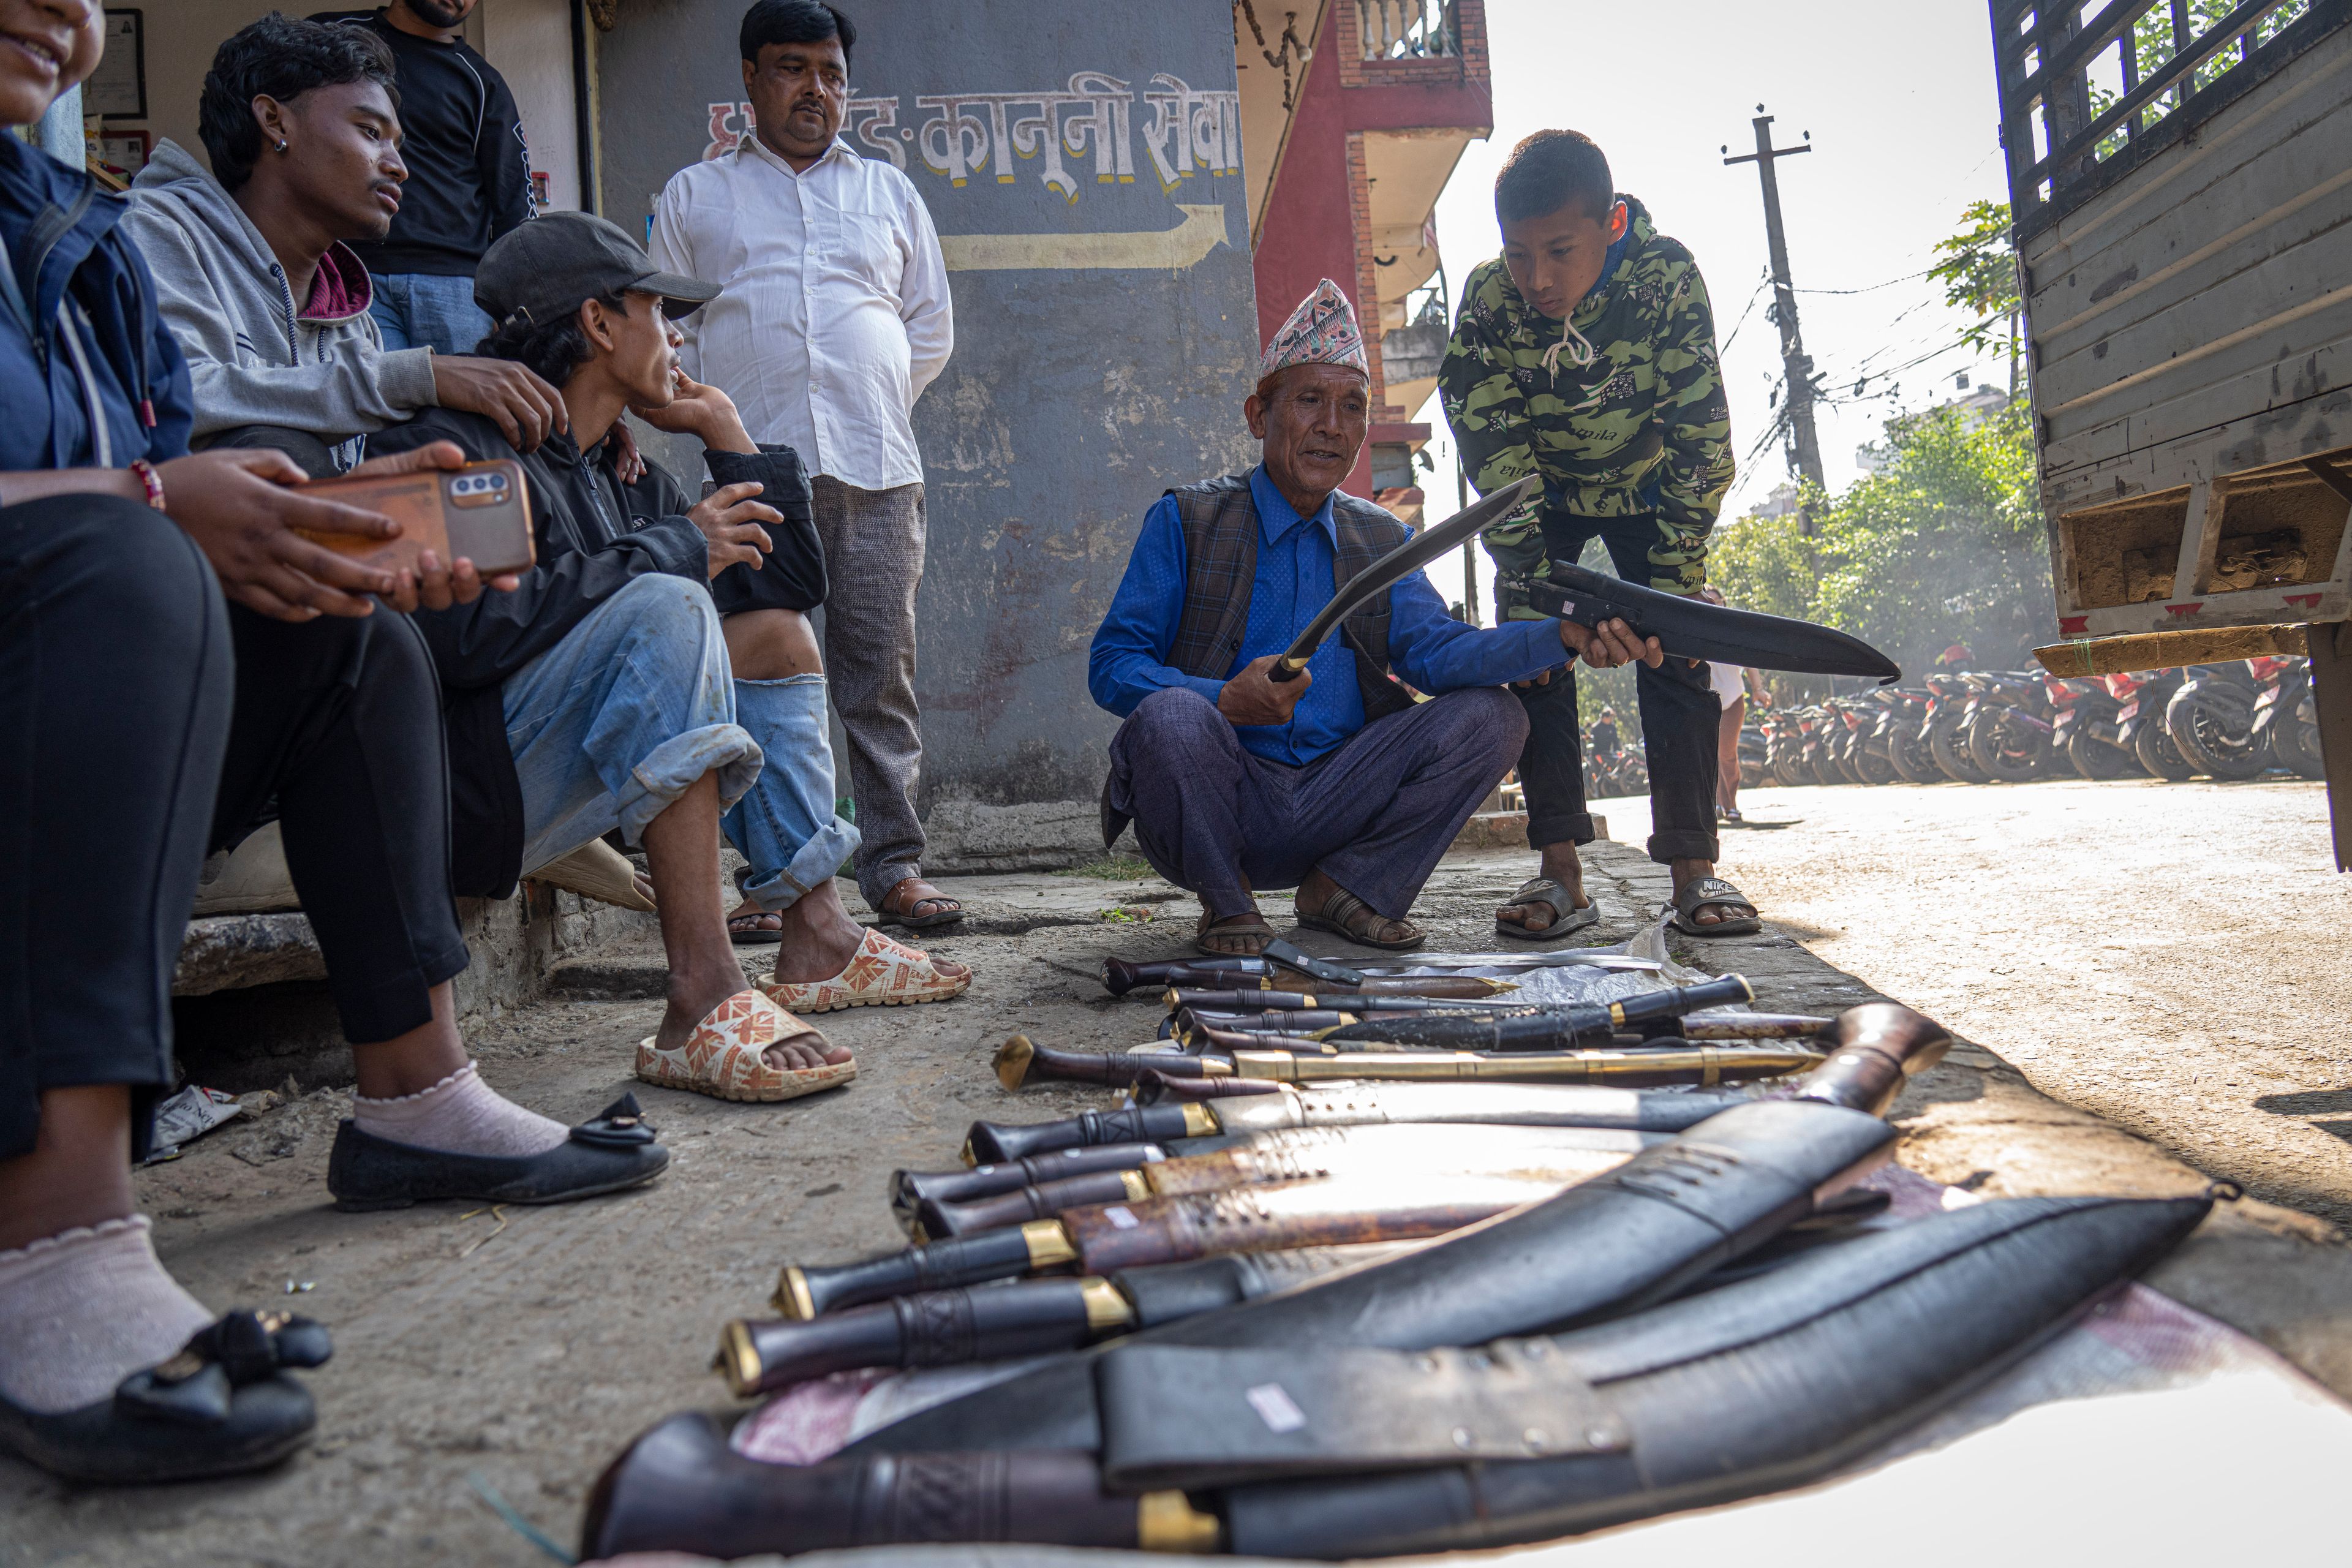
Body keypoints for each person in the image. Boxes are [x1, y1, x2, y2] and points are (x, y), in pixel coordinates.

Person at [0, 0, 661, 1485]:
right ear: (270, 124)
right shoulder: (152, 236)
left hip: (74, 702)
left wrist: (331, 530)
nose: (61, 9)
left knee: (346, 627)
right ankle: (56, 1235)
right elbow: (154, 494)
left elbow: (188, 458)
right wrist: (164, 505)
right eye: (363, 121)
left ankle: (416, 1093)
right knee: (127, 559)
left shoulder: (70, 239)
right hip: (58, 655)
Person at [368, 213, 970, 1063]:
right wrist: (675, 549)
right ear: (599, 322)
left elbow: (791, 587)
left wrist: (726, 431)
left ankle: (819, 933)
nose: (677, 331)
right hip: (471, 793)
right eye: (657, 308)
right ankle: (703, 989)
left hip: (553, 775)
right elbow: (462, 638)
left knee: (774, 636)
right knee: (670, 607)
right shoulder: (464, 444)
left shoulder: (621, 472)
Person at [1090, 280, 1654, 956]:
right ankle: (1227, 901)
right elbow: (1113, 666)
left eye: (1352, 407)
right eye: (1309, 400)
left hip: (1341, 798)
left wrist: (1559, 636)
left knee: (1495, 718)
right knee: (1170, 716)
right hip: (1221, 800)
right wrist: (1226, 700)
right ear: (1257, 415)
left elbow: (1438, 655)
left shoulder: (1382, 539)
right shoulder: (1187, 519)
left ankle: (1345, 888)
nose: (1332, 424)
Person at [649, 0, 963, 934]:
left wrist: (865, 403)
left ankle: (896, 868)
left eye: (830, 74)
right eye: (793, 69)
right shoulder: (695, 197)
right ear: (750, 77)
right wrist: (725, 421)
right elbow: (666, 337)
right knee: (761, 678)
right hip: (751, 477)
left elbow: (929, 331)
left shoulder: (890, 194)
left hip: (875, 466)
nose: (815, 90)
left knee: (878, 677)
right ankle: (781, 878)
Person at [1440, 129, 1760, 940]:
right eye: (1519, 255)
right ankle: (1560, 872)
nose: (1538, 279)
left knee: (1678, 648)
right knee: (1533, 654)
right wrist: (1545, 593)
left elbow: (1701, 434)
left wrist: (1672, 578)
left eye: (1559, 251)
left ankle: (1695, 871)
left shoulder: (1664, 279)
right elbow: (1490, 441)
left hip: (1651, 489)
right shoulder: (1488, 304)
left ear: (1611, 225)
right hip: (1538, 498)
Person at [121, 14, 565, 476]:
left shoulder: (354, 323)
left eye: (398, 144)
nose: (399, 167)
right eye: (372, 133)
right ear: (275, 121)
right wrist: (417, 377)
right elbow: (171, 397)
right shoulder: (156, 232)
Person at [312, 0, 533, 356]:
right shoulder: (333, 38)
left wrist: (509, 303)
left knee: (461, 413)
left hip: (457, 289)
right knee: (368, 408)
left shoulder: (481, 82)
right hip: (349, 272)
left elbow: (516, 203)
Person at [1700, 588, 1768, 821]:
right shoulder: (1697, 629)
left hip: (1735, 699)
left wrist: (1758, 690)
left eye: (1718, 601)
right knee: (1710, 753)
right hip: (1707, 699)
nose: (1715, 605)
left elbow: (1750, 663)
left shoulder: (1734, 630)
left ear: (1724, 603)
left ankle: (1731, 804)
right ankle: (1717, 805)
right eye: (1710, 601)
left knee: (1727, 753)